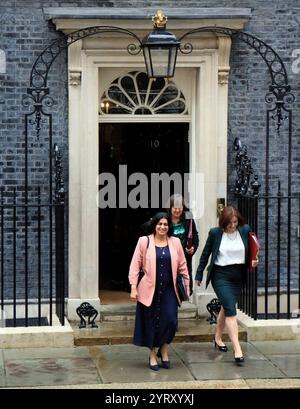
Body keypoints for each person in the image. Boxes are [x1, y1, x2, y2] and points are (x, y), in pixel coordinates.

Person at [195, 206, 258, 364]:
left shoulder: (244, 230)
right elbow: (205, 254)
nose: (232, 225)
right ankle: (237, 349)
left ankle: (217, 338)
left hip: (238, 276)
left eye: (235, 222)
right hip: (220, 276)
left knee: (226, 306)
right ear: (223, 221)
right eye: (229, 222)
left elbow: (253, 251)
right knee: (231, 310)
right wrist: (199, 274)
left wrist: (254, 261)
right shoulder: (215, 233)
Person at [129, 212, 190, 371]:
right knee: (152, 323)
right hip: (149, 289)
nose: (162, 227)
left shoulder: (175, 242)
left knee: (170, 320)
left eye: (165, 224)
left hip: (170, 289)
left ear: (169, 227)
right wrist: (133, 287)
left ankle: (164, 348)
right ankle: (152, 354)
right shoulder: (144, 241)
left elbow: (183, 267)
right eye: (159, 224)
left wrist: (187, 288)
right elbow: (135, 265)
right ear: (154, 225)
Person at [168, 194, 199, 296]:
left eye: (180, 207)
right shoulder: (165, 219)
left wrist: (193, 248)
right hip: (168, 257)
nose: (177, 210)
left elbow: (195, 236)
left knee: (184, 289)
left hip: (184, 258)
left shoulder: (188, 218)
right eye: (175, 208)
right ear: (170, 207)